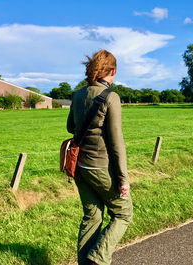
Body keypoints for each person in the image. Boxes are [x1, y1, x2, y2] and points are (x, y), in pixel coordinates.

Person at [67, 49, 133, 265]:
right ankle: (98, 258)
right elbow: (116, 143)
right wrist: (123, 179)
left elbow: (70, 127)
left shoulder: (77, 94)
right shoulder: (111, 97)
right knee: (123, 214)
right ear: (112, 71)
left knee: (92, 216)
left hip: (80, 168)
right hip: (101, 168)